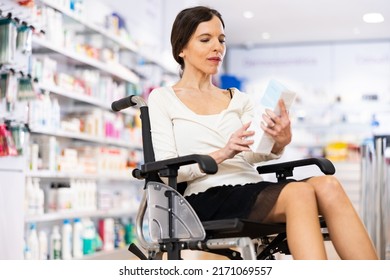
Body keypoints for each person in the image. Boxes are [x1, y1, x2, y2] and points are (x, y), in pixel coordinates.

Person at [147, 6, 378, 260]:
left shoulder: (239, 99)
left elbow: (252, 154)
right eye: (206, 40)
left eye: (221, 40)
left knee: (329, 185)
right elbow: (167, 169)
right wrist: (223, 153)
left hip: (250, 188)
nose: (218, 47)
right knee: (299, 193)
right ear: (181, 48)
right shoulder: (163, 98)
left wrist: (279, 142)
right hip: (204, 196)